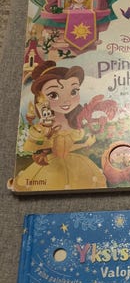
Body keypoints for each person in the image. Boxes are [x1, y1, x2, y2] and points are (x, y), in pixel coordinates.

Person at [12, 61, 107, 190]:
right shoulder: (43, 127)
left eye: (73, 91)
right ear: (40, 98)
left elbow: (66, 148)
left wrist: (85, 144)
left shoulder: (73, 122)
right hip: (51, 168)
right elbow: (28, 147)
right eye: (53, 95)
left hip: (76, 164)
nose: (66, 100)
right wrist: (45, 140)